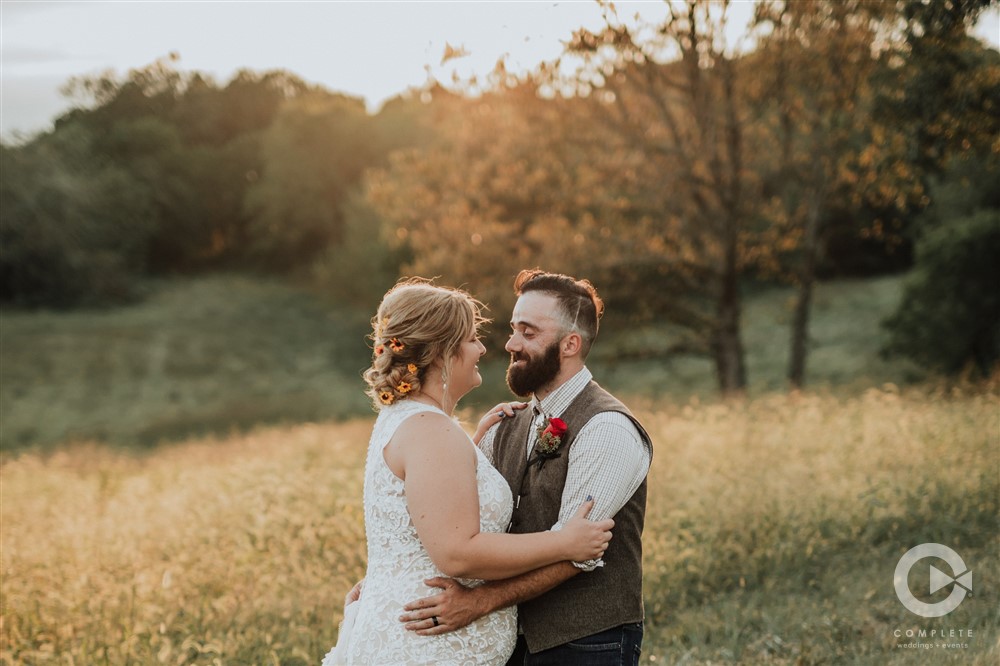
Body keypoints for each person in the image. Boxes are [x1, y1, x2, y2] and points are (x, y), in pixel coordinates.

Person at [321, 278, 615, 666]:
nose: (481, 348)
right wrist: (563, 543)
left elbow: (428, 511)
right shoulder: (432, 432)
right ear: (443, 352)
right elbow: (458, 553)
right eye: (472, 337)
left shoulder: (415, 423)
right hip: (427, 650)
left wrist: (472, 451)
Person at [398, 269, 653, 666]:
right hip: (511, 641)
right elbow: (461, 522)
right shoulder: (508, 424)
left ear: (570, 344)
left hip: (586, 643)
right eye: (514, 329)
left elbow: (576, 553)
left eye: (529, 333)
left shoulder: (608, 429)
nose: (511, 344)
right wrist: (392, 577)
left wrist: (479, 602)